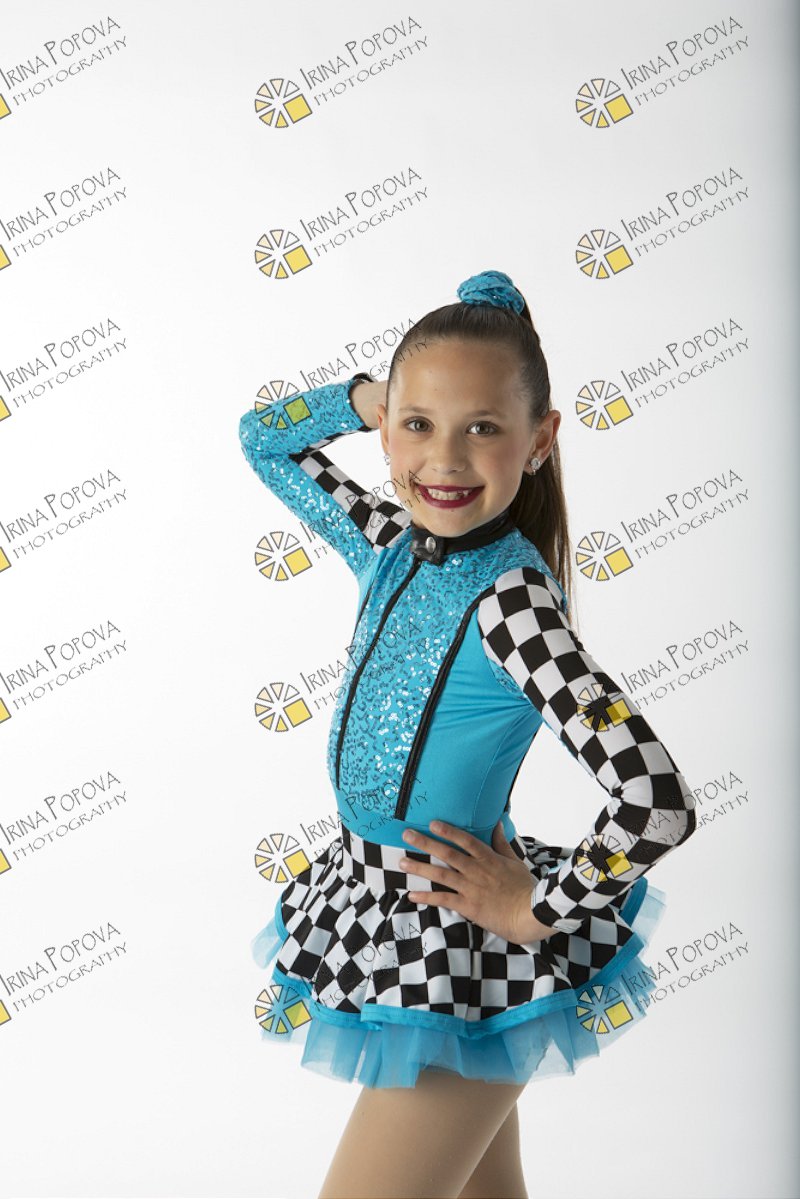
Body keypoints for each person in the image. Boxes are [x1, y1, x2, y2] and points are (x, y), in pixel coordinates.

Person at [238, 269, 697, 1199]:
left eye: (482, 427)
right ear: (387, 429)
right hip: (373, 912)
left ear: (540, 440)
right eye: (419, 424)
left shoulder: (513, 606)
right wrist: (367, 397)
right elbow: (262, 438)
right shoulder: (388, 542)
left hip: (458, 950)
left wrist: (536, 910)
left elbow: (655, 800)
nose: (443, 459)